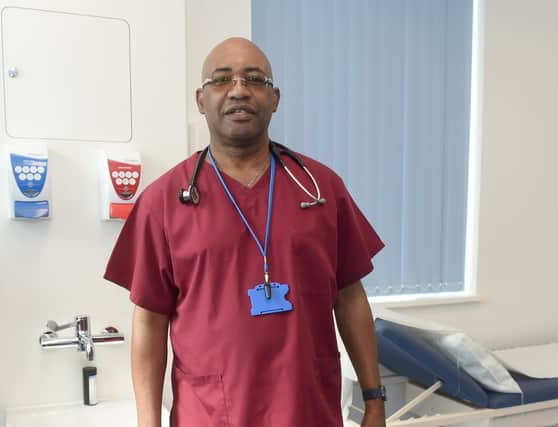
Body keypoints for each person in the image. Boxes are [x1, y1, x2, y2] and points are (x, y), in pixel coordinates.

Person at [105, 37, 386, 427]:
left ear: (275, 98)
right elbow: (150, 320)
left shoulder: (321, 190)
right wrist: (147, 422)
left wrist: (375, 400)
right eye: (222, 80)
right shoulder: (163, 201)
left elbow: (350, 297)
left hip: (309, 412)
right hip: (212, 415)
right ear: (201, 100)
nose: (239, 90)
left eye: (254, 79)